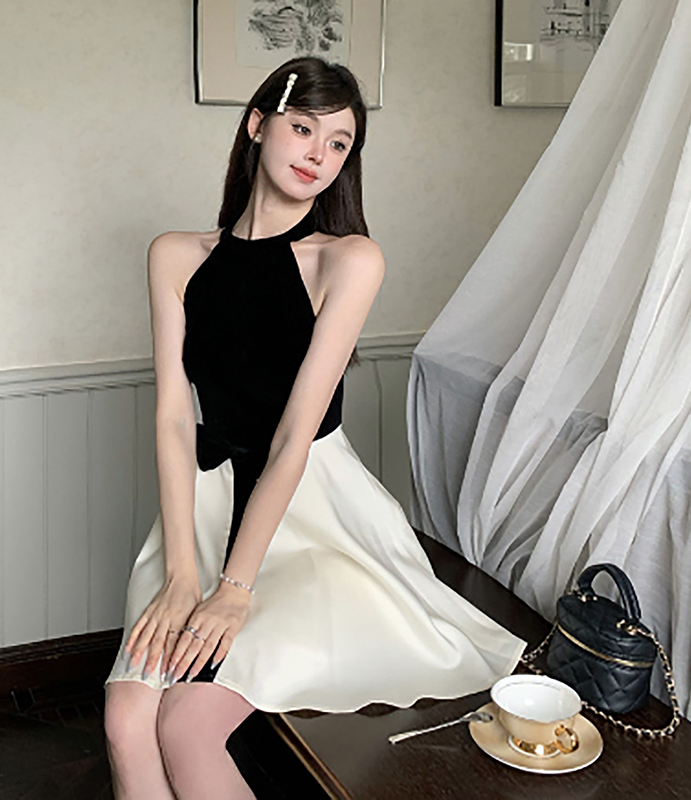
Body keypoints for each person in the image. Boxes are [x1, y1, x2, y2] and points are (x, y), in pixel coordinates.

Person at [103, 56, 526, 799]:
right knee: (125, 720)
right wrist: (182, 575)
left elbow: (294, 437)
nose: (318, 155)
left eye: (338, 144)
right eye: (302, 129)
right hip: (202, 511)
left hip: (315, 519)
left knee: (188, 723)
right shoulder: (174, 256)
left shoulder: (348, 260)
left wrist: (233, 587)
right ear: (256, 125)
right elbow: (173, 417)